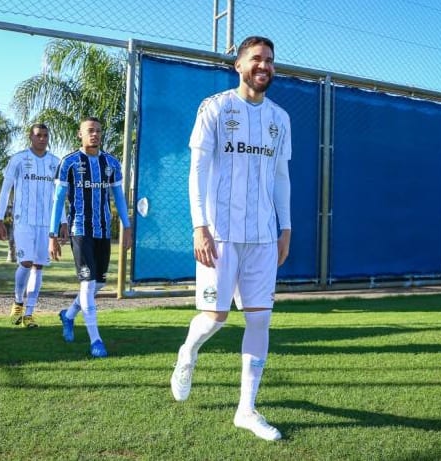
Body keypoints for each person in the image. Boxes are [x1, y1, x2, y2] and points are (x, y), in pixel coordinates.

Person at [170, 36, 292, 441]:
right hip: (218, 235)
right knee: (216, 318)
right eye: (256, 59)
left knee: (260, 319)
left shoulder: (280, 118)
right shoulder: (215, 108)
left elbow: (280, 178)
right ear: (238, 65)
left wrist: (285, 228)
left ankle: (247, 409)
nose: (264, 66)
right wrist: (199, 226)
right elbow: (198, 170)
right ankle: (187, 353)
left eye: (270, 61)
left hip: (262, 237)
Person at [49, 116, 132, 358]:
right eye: (89, 130)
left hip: (104, 231)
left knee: (99, 283)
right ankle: (96, 340)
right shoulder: (69, 163)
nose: (94, 134)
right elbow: (57, 201)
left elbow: (119, 197)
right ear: (80, 134)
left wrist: (126, 227)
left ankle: (69, 314)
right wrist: (52, 234)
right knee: (86, 283)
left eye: (97, 131)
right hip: (80, 230)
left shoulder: (111, 163)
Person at [0, 123, 67, 328]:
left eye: (45, 135)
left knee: (38, 266)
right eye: (38, 135)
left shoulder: (55, 163)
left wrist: (63, 221)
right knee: (26, 262)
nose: (42, 139)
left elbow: (59, 196)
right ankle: (18, 303)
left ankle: (29, 314)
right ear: (31, 137)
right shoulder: (18, 160)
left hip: (46, 223)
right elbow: (5, 190)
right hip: (23, 221)